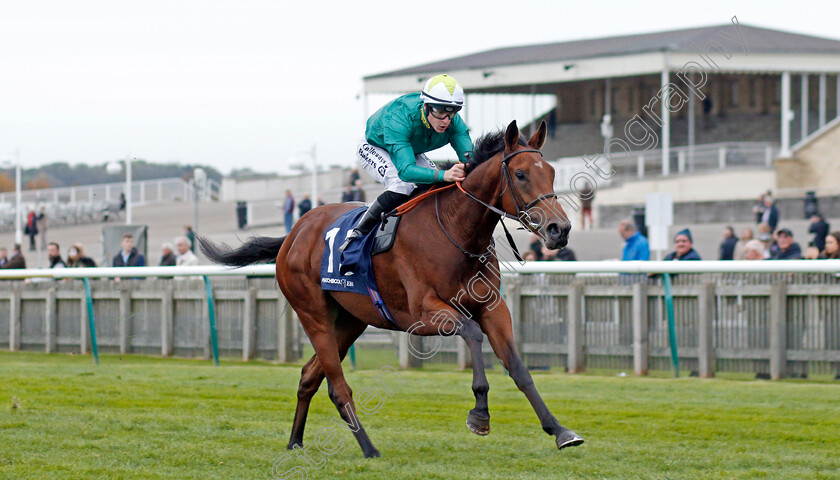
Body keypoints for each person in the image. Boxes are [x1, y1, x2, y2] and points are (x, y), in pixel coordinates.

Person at [339, 73, 471, 252]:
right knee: (401, 185)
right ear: (426, 106)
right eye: (440, 112)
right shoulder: (399, 119)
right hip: (375, 146)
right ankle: (357, 234)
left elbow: (471, 159)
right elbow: (406, 171)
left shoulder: (453, 122)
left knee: (434, 185)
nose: (445, 121)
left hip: (407, 148)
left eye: (452, 113)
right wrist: (445, 174)